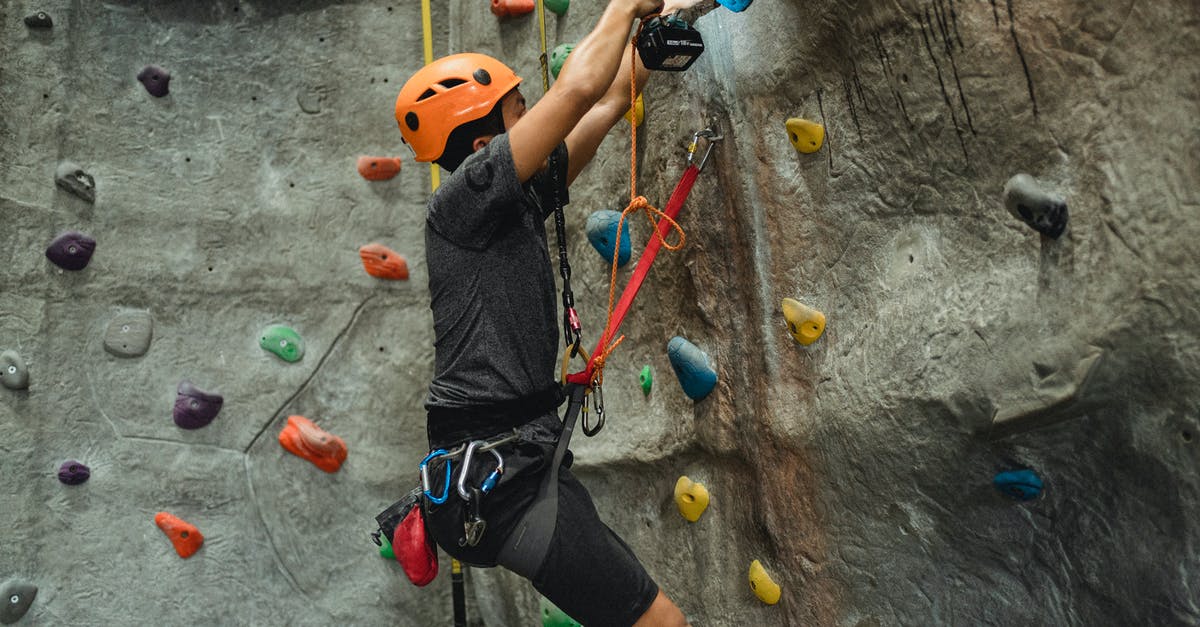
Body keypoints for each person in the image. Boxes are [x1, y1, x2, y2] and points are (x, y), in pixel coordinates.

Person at [394, 0, 692, 625]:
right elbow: (579, 88)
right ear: (483, 146)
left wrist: (653, 43)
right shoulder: (465, 198)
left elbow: (606, 101)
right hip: (500, 482)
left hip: (518, 462)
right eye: (518, 111)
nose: (534, 116)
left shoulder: (518, 198)